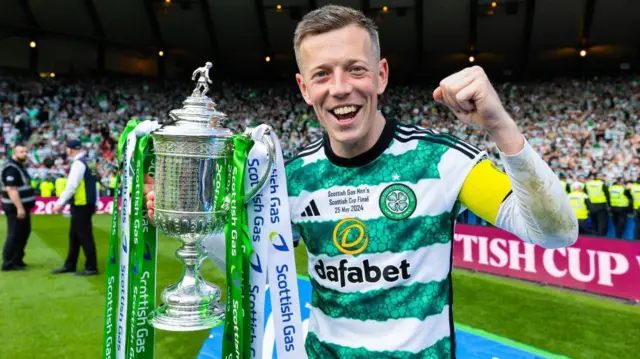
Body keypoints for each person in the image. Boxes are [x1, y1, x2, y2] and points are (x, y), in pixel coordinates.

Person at [144, 5, 578, 358]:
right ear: (304, 88)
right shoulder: (291, 179)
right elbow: (251, 266)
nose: (340, 88)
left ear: (381, 75)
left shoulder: (440, 160)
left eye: (355, 69)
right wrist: (192, 215)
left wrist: (500, 124)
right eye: (321, 74)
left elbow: (557, 234)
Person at [51, 140, 100, 276]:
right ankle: (70, 264)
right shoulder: (90, 161)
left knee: (84, 236)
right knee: (75, 236)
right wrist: (96, 202)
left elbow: (72, 186)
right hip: (87, 203)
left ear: (69, 150)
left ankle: (91, 267)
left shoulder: (78, 163)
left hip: (81, 203)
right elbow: (95, 183)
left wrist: (60, 203)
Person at [1, 143, 35, 271]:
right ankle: (8, 262)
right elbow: (11, 190)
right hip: (15, 208)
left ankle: (17, 258)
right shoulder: (11, 169)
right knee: (14, 234)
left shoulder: (19, 166)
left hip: (23, 207)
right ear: (14, 153)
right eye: (21, 152)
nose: (25, 154)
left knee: (24, 232)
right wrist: (20, 208)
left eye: (26, 152)